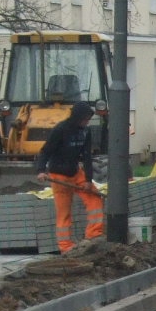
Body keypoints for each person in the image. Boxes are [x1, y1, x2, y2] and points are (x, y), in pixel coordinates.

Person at [34, 100, 105, 252]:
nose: (87, 122)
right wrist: (41, 170)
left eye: (88, 120)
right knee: (64, 212)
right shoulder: (61, 129)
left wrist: (87, 180)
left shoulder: (86, 131)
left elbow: (86, 156)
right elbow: (45, 151)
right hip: (58, 175)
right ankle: (66, 247)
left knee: (95, 198)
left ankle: (94, 235)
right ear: (77, 117)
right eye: (85, 119)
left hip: (76, 172)